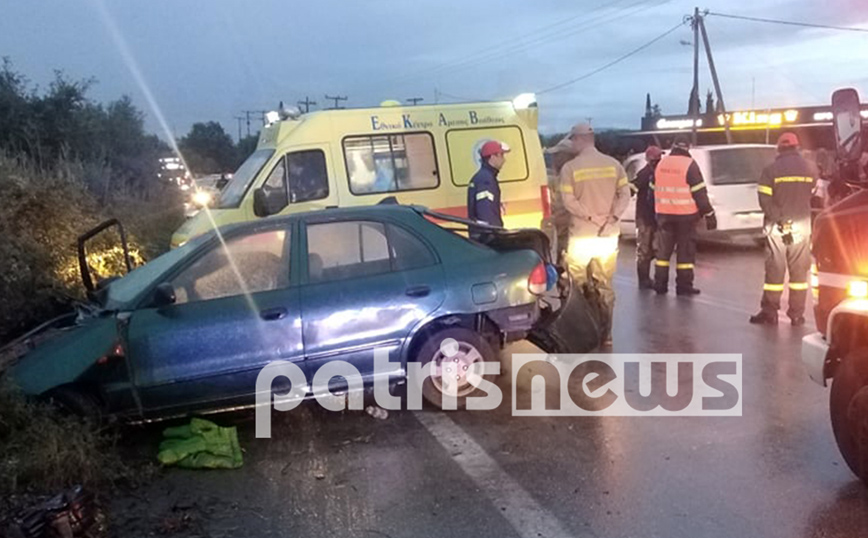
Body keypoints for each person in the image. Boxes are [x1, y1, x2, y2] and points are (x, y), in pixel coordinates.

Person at [559, 123, 630, 346]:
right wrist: (612, 217)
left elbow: (568, 201)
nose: (572, 144)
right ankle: (606, 335)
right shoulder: (614, 165)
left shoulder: (570, 169)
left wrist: (590, 216)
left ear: (579, 139)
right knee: (605, 285)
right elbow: (625, 194)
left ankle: (583, 333)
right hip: (607, 237)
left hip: (582, 236)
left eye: (573, 140)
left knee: (576, 285)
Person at [750, 132, 817, 326]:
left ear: (779, 148)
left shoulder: (770, 170)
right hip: (802, 226)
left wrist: (781, 220)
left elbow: (765, 200)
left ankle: (770, 312)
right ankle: (797, 314)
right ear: (796, 147)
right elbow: (812, 193)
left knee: (775, 269)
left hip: (778, 227)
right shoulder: (810, 168)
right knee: (799, 272)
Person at [652, 136, 716, 296]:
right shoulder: (690, 165)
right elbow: (699, 193)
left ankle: (660, 284)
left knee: (663, 253)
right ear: (688, 147)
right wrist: (709, 213)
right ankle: (683, 286)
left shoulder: (662, 163)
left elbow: (652, 188)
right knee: (685, 253)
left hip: (663, 215)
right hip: (685, 216)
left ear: (674, 146)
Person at [632, 145, 662, 289]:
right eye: (656, 158)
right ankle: (644, 280)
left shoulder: (658, 173)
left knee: (655, 249)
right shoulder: (644, 174)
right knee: (644, 250)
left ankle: (651, 279)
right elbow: (633, 188)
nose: (658, 160)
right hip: (645, 217)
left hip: (655, 217)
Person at [467, 140, 510, 240]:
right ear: (492, 157)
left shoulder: (483, 177)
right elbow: (485, 211)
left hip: (482, 235)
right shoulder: (486, 180)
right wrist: (494, 235)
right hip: (487, 237)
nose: (504, 160)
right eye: (501, 155)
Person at [544, 137, 578, 262]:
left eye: (557, 155)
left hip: (570, 229)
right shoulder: (560, 175)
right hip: (562, 229)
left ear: (566, 156)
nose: (554, 158)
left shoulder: (570, 175)